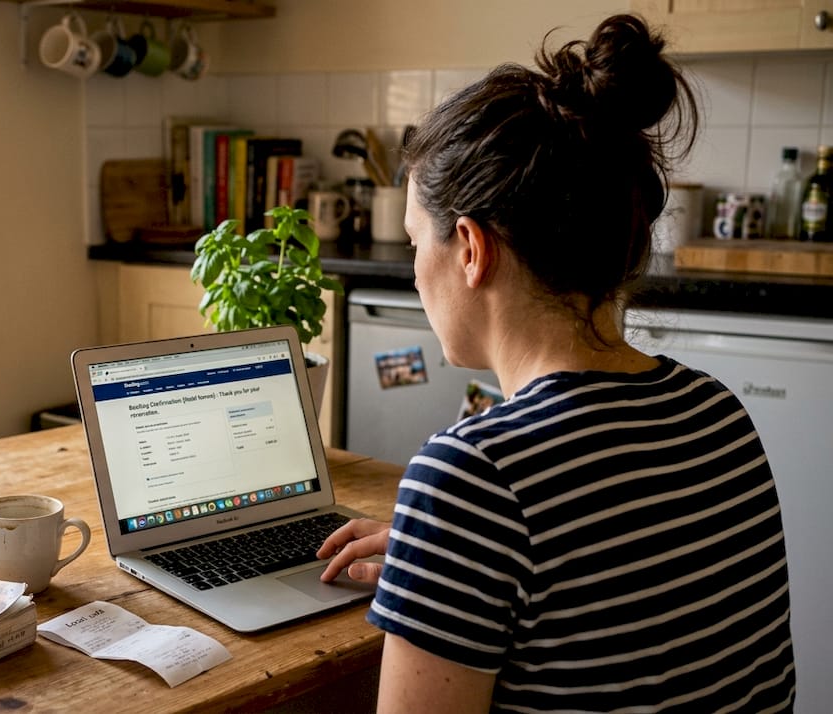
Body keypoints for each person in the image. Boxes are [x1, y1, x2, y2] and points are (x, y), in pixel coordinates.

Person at [318, 13, 796, 713]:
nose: (417, 272)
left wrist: (460, 530)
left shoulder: (474, 478)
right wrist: (451, 561)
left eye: (417, 241)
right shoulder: (717, 414)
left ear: (473, 250)